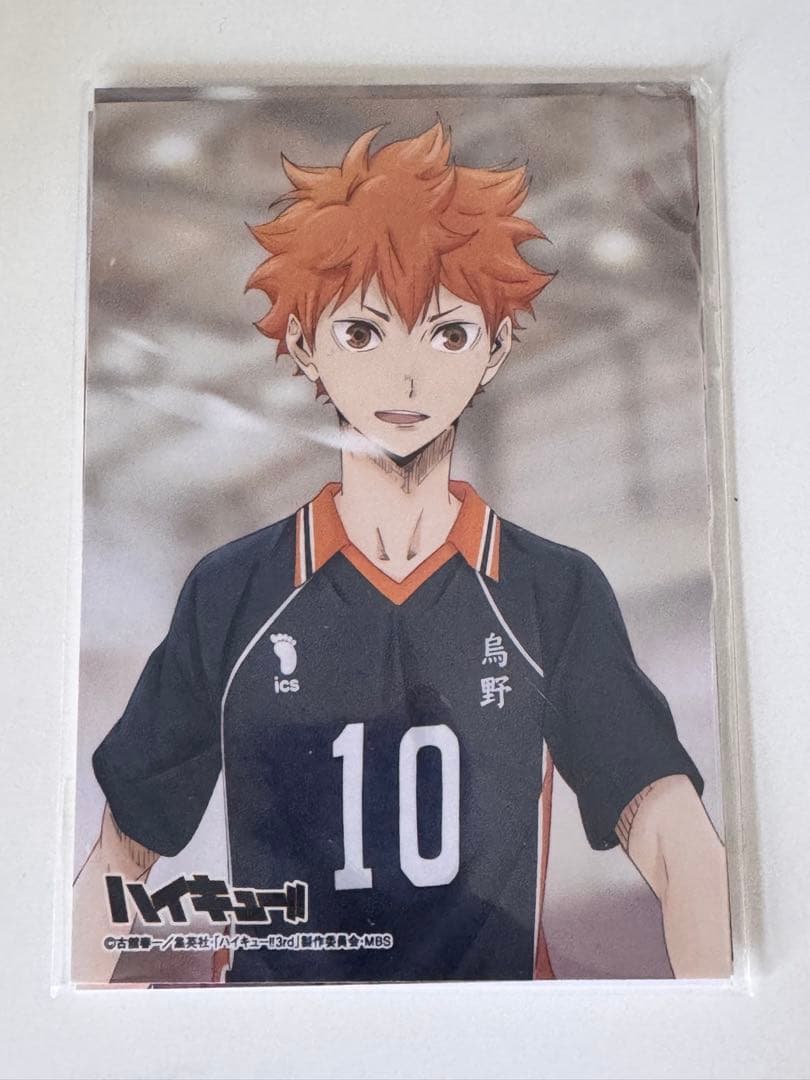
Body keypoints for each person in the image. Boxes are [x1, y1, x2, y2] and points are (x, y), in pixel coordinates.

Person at [74, 122, 731, 984]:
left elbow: (675, 839)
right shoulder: (233, 592)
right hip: (279, 1039)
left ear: (495, 350)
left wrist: (724, 1027)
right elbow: (121, 857)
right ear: (303, 341)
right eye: (363, 333)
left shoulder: (549, 591)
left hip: (493, 1038)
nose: (406, 376)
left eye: (448, 334)